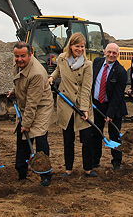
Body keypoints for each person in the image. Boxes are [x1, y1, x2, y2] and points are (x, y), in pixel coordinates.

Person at [48, 33, 96, 177]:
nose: (80, 49)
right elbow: (58, 69)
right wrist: (52, 77)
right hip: (66, 104)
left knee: (87, 138)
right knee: (68, 139)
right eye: (77, 46)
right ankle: (68, 169)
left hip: (82, 104)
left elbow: (87, 88)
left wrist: (83, 109)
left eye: (82, 46)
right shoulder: (62, 58)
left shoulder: (88, 65)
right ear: (71, 46)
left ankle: (88, 168)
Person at [11, 42, 54, 186]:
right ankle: (21, 171)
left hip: (41, 107)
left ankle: (45, 174)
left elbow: (32, 103)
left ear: (30, 55)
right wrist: (15, 91)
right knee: (22, 137)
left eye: (23, 56)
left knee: (40, 138)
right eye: (17, 56)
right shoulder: (18, 63)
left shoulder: (36, 73)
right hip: (26, 104)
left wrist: (27, 124)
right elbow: (20, 82)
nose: (19, 59)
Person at [91, 43, 128, 170]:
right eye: (109, 52)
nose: (111, 55)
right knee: (96, 133)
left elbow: (118, 96)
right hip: (96, 104)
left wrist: (110, 114)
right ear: (104, 51)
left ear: (118, 54)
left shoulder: (121, 72)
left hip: (113, 107)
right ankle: (95, 160)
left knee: (114, 135)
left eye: (114, 53)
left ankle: (116, 161)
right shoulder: (96, 62)